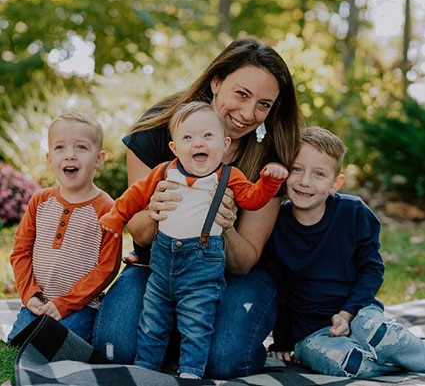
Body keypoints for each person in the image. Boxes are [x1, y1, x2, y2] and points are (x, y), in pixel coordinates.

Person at [92, 37, 300, 379]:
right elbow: (139, 235)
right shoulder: (161, 129)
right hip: (158, 267)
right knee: (117, 347)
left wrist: (226, 226)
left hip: (227, 276)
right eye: (241, 94)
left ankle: (185, 336)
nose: (248, 114)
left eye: (264, 104)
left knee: (225, 361)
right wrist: (154, 211)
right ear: (216, 82)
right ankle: (178, 330)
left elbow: (244, 262)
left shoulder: (268, 155)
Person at [267, 126, 425, 377]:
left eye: (319, 173)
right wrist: (283, 342)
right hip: (312, 332)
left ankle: (415, 354)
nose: (305, 181)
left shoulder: (353, 213)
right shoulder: (275, 223)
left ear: (335, 184)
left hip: (358, 312)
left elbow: (371, 269)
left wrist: (347, 313)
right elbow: (279, 288)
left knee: (383, 334)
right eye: (297, 169)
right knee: (342, 362)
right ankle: (389, 365)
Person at [8, 112, 122, 343]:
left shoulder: (107, 208)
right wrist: (29, 295)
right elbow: (20, 251)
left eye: (81, 147)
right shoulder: (40, 201)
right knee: (18, 341)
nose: (70, 155)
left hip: (79, 306)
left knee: (59, 345)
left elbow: (107, 267)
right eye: (60, 148)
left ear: (99, 159)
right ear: (50, 159)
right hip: (38, 302)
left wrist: (65, 304)